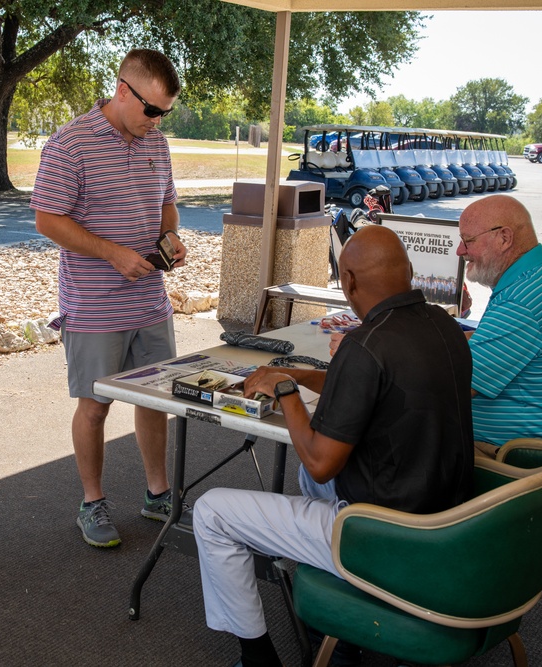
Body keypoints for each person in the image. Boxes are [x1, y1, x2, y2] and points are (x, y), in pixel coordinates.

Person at [192, 225, 474, 667]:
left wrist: (286, 392)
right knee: (307, 480)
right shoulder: (445, 327)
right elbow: (378, 386)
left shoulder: (366, 345)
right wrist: (302, 376)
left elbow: (323, 461)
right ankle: (342, 623)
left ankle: (257, 657)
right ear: (410, 273)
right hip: (447, 519)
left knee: (212, 512)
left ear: (349, 282)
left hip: (381, 535)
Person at [31, 49, 188, 549]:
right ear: (123, 90)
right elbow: (48, 220)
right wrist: (112, 253)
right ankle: (92, 502)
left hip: (149, 302)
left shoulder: (155, 144)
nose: (157, 121)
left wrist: (171, 239)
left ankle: (157, 492)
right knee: (94, 407)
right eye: (152, 110)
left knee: (155, 401)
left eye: (165, 113)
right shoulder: (69, 144)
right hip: (94, 305)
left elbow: (167, 206)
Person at [455, 195, 542, 452]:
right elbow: (492, 340)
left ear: (504, 238)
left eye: (468, 241)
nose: (460, 250)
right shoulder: (541, 272)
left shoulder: (522, 302)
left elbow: (455, 385)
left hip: (526, 459)